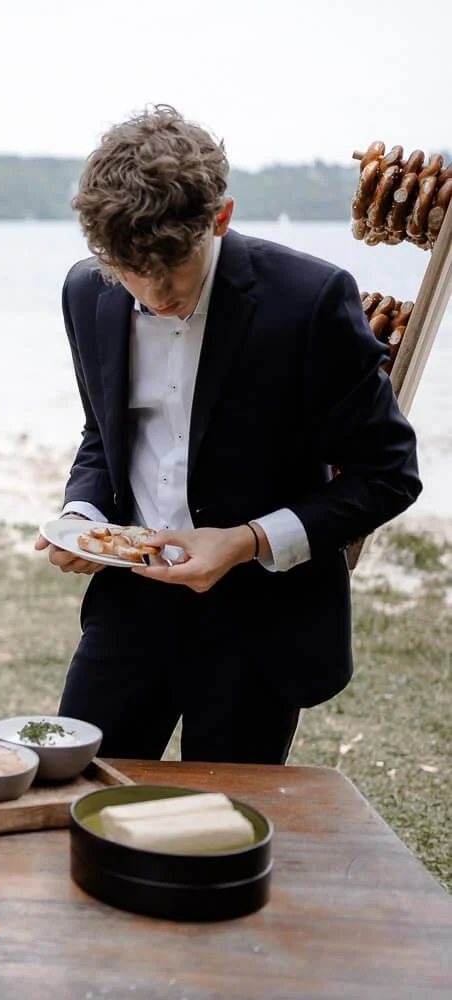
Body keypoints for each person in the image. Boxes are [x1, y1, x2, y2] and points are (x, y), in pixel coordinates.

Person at [34, 106, 421, 764]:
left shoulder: (311, 299)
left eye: (171, 274)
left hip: (262, 622)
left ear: (221, 218)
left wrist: (245, 542)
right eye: (130, 272)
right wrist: (84, 515)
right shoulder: (86, 292)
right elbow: (104, 436)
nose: (152, 296)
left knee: (223, 832)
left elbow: (388, 475)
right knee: (77, 793)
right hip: (131, 608)